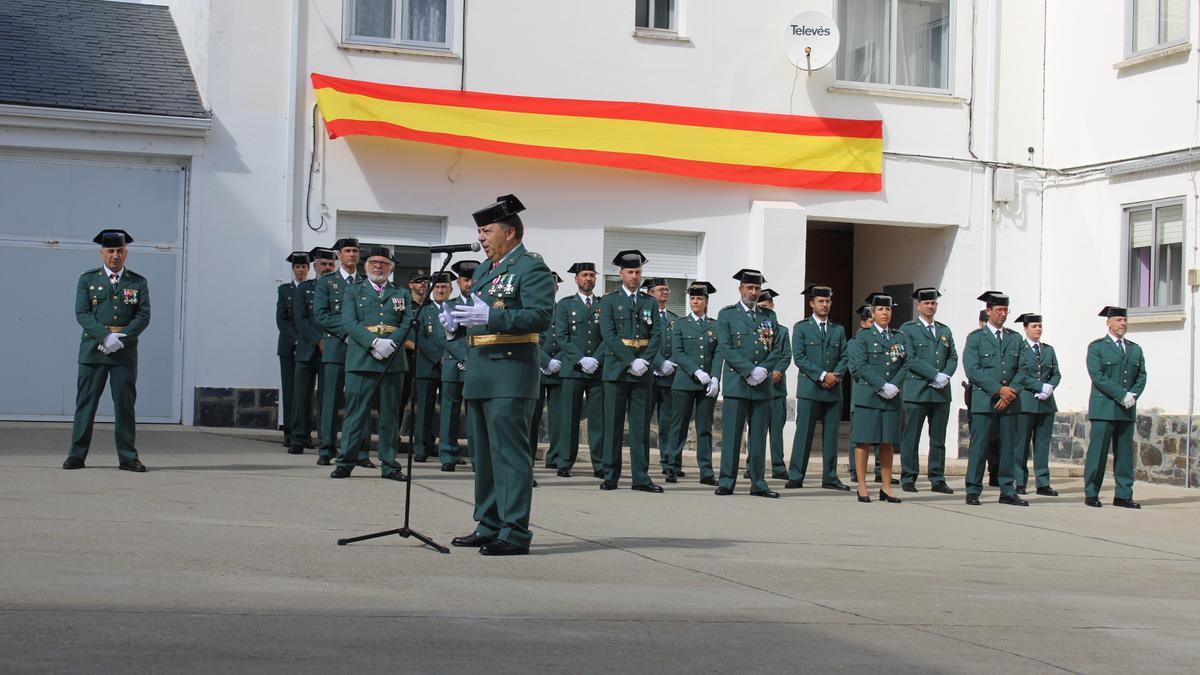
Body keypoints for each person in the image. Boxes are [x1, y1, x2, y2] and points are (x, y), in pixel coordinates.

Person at [443, 194, 554, 556]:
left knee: (509, 454)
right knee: (484, 455)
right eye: (480, 231)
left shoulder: (530, 267)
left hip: (510, 371)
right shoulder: (485, 270)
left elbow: (539, 316)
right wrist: (455, 325)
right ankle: (489, 523)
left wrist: (490, 318)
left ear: (509, 232)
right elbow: (477, 315)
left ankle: (515, 530)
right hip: (481, 371)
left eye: (487, 230)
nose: (482, 237)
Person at [63, 229, 151, 472]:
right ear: (101, 252)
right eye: (110, 251)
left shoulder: (137, 282)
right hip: (93, 350)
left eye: (120, 251)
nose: (115, 256)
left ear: (126, 252)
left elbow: (143, 315)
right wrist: (105, 336)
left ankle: (128, 457)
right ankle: (76, 455)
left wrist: (121, 338)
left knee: (124, 405)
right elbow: (82, 313)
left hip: (123, 352)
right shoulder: (88, 280)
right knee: (86, 403)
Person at [329, 247, 411, 480]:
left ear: (391, 267)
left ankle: (389, 465)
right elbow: (349, 322)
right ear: (366, 266)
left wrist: (391, 344)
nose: (378, 266)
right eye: (374, 262)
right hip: (362, 359)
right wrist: (374, 342)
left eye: (384, 263)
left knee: (390, 416)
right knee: (356, 414)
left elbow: (407, 323)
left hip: (392, 361)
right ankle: (346, 461)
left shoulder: (401, 293)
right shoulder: (354, 291)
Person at [597, 250, 664, 493]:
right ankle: (611, 475)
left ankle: (641, 477)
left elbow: (657, 334)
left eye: (637, 272)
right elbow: (609, 335)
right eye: (630, 272)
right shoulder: (609, 301)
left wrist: (644, 361)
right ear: (620, 273)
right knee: (613, 425)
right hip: (617, 369)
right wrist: (629, 361)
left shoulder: (649, 302)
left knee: (640, 427)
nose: (634, 276)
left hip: (643, 370)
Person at [714, 269, 784, 498]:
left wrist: (763, 369)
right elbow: (725, 347)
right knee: (732, 437)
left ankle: (759, 482)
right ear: (740, 289)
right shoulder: (727, 315)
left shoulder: (768, 317)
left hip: (762, 384)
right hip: (738, 383)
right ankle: (726, 481)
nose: (753, 292)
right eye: (749, 288)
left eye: (756, 289)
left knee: (758, 438)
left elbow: (775, 348)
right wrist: (749, 370)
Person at [963, 291, 1028, 506]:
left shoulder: (1015, 338)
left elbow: (1024, 369)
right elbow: (973, 369)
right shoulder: (976, 338)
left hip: (1010, 403)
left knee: (1008, 447)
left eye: (1005, 310)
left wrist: (1011, 392)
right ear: (988, 311)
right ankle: (973, 489)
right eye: (998, 310)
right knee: (979, 446)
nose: (1002, 314)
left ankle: (1007, 490)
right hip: (984, 402)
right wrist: (998, 391)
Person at [1083, 306, 1147, 509]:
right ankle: (1092, 493)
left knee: (1125, 455)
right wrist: (1122, 395)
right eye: (1119, 320)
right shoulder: (1097, 347)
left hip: (1126, 409)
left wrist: (1133, 395)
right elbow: (1097, 375)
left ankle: (1123, 495)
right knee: (1098, 454)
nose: (1123, 324)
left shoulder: (1135, 348)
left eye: (1124, 320)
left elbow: (1142, 376)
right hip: (1104, 409)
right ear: (1108, 323)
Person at [787, 285, 849, 490]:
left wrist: (835, 377)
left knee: (831, 435)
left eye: (828, 301)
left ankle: (830, 477)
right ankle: (796, 475)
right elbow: (800, 357)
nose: (825, 305)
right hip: (810, 389)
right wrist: (822, 375)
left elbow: (844, 357)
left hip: (833, 389)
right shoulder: (802, 327)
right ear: (811, 303)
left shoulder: (838, 329)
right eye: (821, 301)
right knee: (803, 434)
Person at [845, 292, 906, 503]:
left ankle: (886, 487)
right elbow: (860, 366)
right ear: (873, 312)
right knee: (863, 442)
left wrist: (894, 385)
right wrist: (881, 385)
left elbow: (906, 363)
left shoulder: (899, 337)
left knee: (887, 442)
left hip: (891, 396)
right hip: (869, 396)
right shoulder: (863, 336)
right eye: (880, 309)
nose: (885, 313)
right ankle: (862, 485)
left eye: (888, 309)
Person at [896, 287, 958, 494]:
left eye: (933, 303)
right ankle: (908, 476)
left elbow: (953, 357)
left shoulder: (944, 330)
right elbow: (910, 358)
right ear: (918, 306)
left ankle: (937, 478)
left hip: (941, 392)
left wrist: (945, 376)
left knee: (938, 438)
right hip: (918, 391)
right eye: (926, 303)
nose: (930, 306)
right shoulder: (908, 329)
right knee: (911, 436)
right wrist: (934, 375)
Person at [315, 238, 368, 467]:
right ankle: (326, 448)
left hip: (361, 350)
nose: (352, 255)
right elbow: (321, 315)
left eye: (355, 251)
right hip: (337, 348)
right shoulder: (328, 282)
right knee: (331, 401)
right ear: (338, 255)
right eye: (348, 251)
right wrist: (349, 332)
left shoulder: (366, 283)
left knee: (360, 400)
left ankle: (360, 452)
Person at [552, 262, 607, 478]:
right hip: (573, 370)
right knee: (569, 419)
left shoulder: (604, 304)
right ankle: (564, 462)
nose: (589, 279)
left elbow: (608, 335)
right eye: (584, 275)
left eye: (592, 275)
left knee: (598, 420)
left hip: (597, 370)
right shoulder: (565, 305)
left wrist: (595, 359)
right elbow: (562, 337)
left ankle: (600, 464)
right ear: (576, 279)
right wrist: (580, 359)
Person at [663, 282, 722, 485]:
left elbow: (718, 353)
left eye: (699, 299)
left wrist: (715, 377)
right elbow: (678, 353)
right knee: (678, 426)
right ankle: (672, 467)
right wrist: (696, 371)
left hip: (707, 385)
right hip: (685, 382)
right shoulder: (680, 324)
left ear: (706, 301)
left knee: (704, 428)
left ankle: (706, 471)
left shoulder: (715, 325)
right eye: (693, 298)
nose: (695, 302)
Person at [294, 247, 335, 463]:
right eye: (323, 264)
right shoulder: (304, 288)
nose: (327, 268)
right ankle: (299, 439)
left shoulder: (338, 289)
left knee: (326, 399)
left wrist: (327, 341)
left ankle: (326, 441)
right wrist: (317, 340)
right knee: (302, 397)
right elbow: (299, 319)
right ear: (315, 266)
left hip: (330, 350)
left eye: (330, 265)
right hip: (307, 349)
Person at [1013, 312, 1061, 496]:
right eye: (1034, 326)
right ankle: (1019, 481)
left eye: (1040, 326)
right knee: (1021, 445)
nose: (1038, 329)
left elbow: (1056, 373)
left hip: (1046, 403)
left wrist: (1049, 388)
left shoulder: (1048, 350)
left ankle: (1043, 483)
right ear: (1025, 329)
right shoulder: (1020, 349)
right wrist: (1039, 386)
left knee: (1042, 445)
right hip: (1026, 402)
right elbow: (1021, 375)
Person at [438, 260, 479, 470]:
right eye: (465, 279)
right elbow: (444, 337)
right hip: (455, 364)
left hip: (477, 366)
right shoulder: (450, 305)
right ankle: (447, 456)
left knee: (475, 415)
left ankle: (477, 458)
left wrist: (472, 360)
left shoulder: (483, 304)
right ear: (459, 282)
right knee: (449, 412)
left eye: (472, 278)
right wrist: (465, 358)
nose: (469, 283)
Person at [413, 272, 454, 462]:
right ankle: (421, 448)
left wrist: (448, 357)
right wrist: (438, 357)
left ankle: (448, 448)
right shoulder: (423, 310)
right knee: (424, 410)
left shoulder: (456, 309)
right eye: (437, 287)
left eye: (444, 287)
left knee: (449, 411)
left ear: (450, 290)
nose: (440, 290)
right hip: (427, 367)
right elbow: (419, 338)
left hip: (451, 366)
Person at [847, 304, 886, 485]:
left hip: (883, 394)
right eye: (870, 321)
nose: (874, 324)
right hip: (864, 394)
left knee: (882, 435)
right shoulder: (855, 343)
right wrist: (875, 381)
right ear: (863, 323)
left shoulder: (887, 339)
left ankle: (880, 470)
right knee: (859, 435)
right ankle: (855, 469)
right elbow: (855, 369)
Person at [531, 272, 565, 481]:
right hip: (535, 367)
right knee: (531, 418)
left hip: (559, 367)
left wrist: (558, 360)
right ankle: (528, 456)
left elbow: (570, 336)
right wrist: (545, 361)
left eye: (552, 285)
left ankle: (556, 456)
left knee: (559, 418)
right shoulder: (532, 307)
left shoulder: (563, 308)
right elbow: (528, 336)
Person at [644, 277, 679, 476]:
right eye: (660, 290)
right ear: (650, 293)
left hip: (669, 376)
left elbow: (680, 344)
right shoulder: (645, 315)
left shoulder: (674, 318)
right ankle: (642, 463)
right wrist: (659, 363)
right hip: (648, 375)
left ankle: (668, 462)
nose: (665, 292)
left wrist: (671, 363)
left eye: (666, 290)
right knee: (643, 422)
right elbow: (644, 342)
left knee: (667, 423)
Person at [757, 289, 791, 481]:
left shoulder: (783, 331)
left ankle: (778, 466)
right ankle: (752, 465)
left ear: (772, 306)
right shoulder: (755, 330)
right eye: (761, 306)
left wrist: (777, 371)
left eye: (767, 305)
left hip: (777, 389)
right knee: (757, 430)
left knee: (776, 431)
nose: (765, 309)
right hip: (758, 387)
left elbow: (786, 354)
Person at [278, 252, 309, 451]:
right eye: (297, 267)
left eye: (303, 267)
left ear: (309, 269)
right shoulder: (284, 290)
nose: (300, 270)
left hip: (308, 346)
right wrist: (296, 339)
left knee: (305, 393)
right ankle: (289, 432)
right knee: (290, 391)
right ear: (293, 269)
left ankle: (304, 433)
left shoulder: (312, 289)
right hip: (289, 347)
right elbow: (281, 320)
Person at [400, 269, 430, 445]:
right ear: (411, 285)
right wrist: (414, 346)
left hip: (425, 360)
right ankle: (393, 438)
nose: (423, 284)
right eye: (419, 281)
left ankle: (423, 441)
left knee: (424, 403)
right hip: (406, 357)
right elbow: (398, 330)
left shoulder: (430, 306)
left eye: (425, 281)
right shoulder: (404, 304)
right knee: (400, 399)